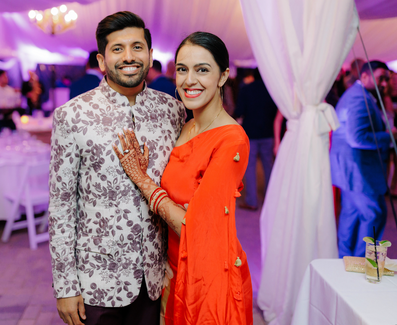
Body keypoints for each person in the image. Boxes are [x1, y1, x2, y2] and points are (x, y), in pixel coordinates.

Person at [48, 11, 186, 325]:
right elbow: (61, 204)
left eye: (137, 47)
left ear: (150, 56)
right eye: (117, 49)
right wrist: (65, 285)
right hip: (96, 281)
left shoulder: (173, 111)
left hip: (155, 280)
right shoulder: (72, 115)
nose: (128, 56)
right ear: (102, 60)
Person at [113, 32, 253, 325]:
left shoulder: (231, 140)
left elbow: (194, 225)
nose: (190, 80)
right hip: (174, 265)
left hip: (208, 273)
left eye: (202, 69)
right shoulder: (184, 125)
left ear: (223, 76)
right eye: (182, 69)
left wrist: (142, 179)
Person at [330, 60, 392, 258]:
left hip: (350, 169)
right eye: (381, 78)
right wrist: (390, 135)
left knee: (351, 214)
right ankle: (362, 263)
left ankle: (345, 261)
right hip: (357, 171)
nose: (385, 84)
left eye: (387, 80)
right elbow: (357, 138)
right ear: (364, 76)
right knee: (375, 214)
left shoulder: (361, 95)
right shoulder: (360, 98)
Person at [235, 68, 278, 210]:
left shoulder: (247, 89)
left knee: (250, 167)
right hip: (268, 132)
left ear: (253, 76)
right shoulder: (272, 91)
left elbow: (240, 110)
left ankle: (251, 201)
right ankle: (270, 199)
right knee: (268, 166)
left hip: (251, 134)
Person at [0, 70, 21, 137]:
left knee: (15, 140)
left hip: (9, 119)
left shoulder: (10, 90)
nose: (7, 78)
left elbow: (17, 104)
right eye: (4, 76)